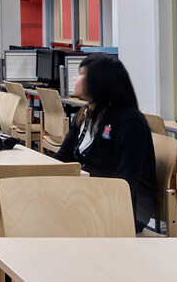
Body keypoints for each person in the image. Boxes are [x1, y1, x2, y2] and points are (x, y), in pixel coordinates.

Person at [53, 53, 156, 233]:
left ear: (99, 81)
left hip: (125, 208)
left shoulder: (129, 121)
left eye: (81, 73)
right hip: (90, 196)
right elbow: (63, 159)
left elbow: (125, 180)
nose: (75, 78)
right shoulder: (85, 115)